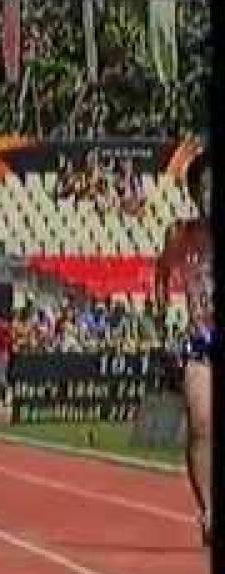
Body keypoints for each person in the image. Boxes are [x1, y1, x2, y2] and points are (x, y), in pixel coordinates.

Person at [155, 150, 212, 547]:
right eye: (204, 187)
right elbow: (161, 271)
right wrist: (162, 318)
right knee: (202, 420)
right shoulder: (181, 234)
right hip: (201, 340)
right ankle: (209, 511)